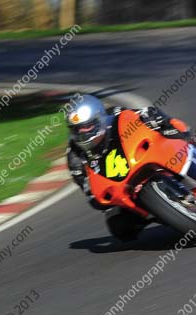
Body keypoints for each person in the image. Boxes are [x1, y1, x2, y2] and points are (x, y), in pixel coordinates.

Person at [64, 94, 193, 240]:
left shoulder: (115, 113)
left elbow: (144, 115)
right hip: (121, 185)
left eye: (88, 126)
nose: (84, 132)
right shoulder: (74, 157)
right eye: (78, 129)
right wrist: (101, 195)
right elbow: (93, 198)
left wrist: (155, 120)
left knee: (177, 132)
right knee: (120, 228)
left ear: (99, 118)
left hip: (148, 155)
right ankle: (166, 214)